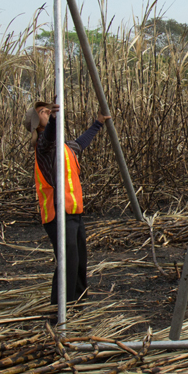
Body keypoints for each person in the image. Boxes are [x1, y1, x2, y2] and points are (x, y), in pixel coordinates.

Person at [25, 101, 111, 309]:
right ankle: (60, 310)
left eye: (48, 110)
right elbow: (48, 137)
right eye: (42, 112)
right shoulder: (44, 147)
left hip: (73, 212)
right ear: (37, 124)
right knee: (67, 263)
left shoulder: (63, 146)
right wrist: (54, 119)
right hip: (57, 214)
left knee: (79, 260)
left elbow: (81, 143)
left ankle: (78, 305)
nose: (47, 112)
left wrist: (98, 123)